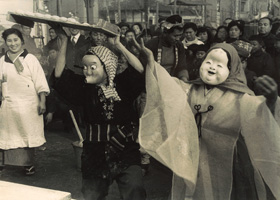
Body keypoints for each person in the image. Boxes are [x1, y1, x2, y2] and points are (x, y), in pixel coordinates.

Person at [139, 41, 280, 199]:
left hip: (228, 163)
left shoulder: (241, 98)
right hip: (195, 159)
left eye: (220, 65)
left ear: (231, 70)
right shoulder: (189, 90)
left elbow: (259, 116)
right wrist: (150, 61)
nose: (212, 67)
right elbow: (163, 83)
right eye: (209, 62)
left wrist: (271, 100)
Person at [53, 26, 146, 199]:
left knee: (135, 189)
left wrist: (119, 46)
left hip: (125, 147)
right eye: (85, 67)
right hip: (94, 152)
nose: (87, 71)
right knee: (92, 195)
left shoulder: (123, 84)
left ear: (107, 67)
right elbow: (59, 76)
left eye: (92, 67)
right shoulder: (84, 87)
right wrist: (64, 41)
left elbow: (140, 70)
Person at [0, 28, 49, 175]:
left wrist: (42, 102)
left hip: (28, 105)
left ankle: (28, 164)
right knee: (8, 133)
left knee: (27, 134)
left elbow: (40, 82)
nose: (13, 43)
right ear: (5, 42)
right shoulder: (2, 60)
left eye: (16, 40)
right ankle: (4, 162)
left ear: (22, 41)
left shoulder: (30, 59)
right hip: (9, 104)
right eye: (9, 40)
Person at [142, 14, 189, 81]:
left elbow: (181, 66)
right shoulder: (152, 45)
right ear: (165, 33)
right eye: (175, 36)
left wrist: (184, 78)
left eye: (180, 35)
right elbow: (144, 69)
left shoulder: (179, 45)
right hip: (154, 80)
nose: (178, 39)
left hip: (172, 81)